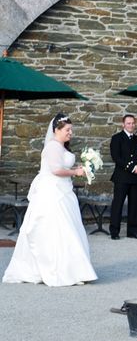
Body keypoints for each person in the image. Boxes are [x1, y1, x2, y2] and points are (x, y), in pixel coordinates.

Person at [3, 113, 97, 286]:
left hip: (63, 191)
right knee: (58, 229)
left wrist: (77, 168)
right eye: (68, 130)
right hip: (53, 193)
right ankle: (60, 270)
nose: (71, 133)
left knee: (68, 229)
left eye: (71, 130)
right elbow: (55, 170)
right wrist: (75, 172)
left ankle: (73, 269)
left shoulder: (60, 147)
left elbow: (61, 166)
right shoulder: (53, 147)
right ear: (56, 130)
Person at [109, 114, 137, 240]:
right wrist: (132, 168)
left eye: (133, 123)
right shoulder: (116, 138)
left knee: (134, 205)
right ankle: (114, 231)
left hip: (136, 178)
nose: (131, 125)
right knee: (118, 204)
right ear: (123, 124)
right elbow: (116, 158)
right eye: (128, 123)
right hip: (122, 177)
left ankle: (132, 231)